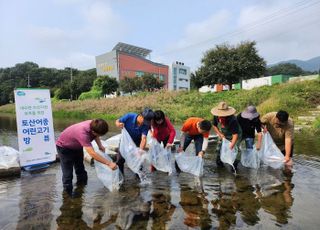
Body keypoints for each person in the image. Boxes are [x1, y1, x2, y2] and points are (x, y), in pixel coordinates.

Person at [56, 119, 117, 195]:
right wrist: (109, 163)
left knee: (80, 168)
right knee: (68, 173)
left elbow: (96, 135)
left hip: (77, 145)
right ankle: (67, 195)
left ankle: (81, 188)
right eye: (99, 135)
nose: (99, 136)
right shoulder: (82, 133)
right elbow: (92, 153)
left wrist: (100, 145)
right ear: (93, 132)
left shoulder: (95, 124)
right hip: (64, 147)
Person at [115, 107, 155, 174]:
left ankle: (139, 177)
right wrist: (118, 124)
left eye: (147, 122)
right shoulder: (129, 116)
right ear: (140, 116)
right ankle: (121, 176)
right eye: (145, 121)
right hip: (125, 141)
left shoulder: (145, 125)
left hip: (137, 142)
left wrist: (140, 151)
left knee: (138, 160)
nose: (145, 123)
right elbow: (117, 121)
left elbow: (143, 139)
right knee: (120, 160)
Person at [211, 102, 242, 167]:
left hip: (235, 134)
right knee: (219, 149)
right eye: (220, 116)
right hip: (224, 134)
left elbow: (235, 135)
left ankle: (234, 166)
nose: (221, 117)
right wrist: (220, 134)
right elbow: (214, 126)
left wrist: (231, 146)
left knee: (235, 149)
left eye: (223, 116)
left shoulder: (232, 120)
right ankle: (220, 166)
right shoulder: (216, 116)